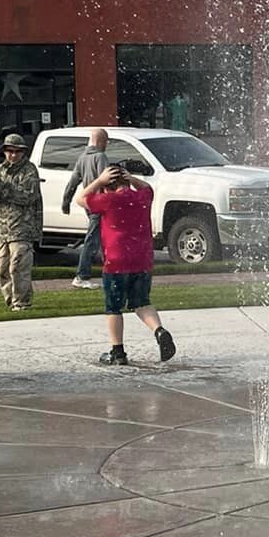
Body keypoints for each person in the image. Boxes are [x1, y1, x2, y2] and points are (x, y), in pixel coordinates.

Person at [75, 160, 174, 367]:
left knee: (114, 307)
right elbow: (148, 188)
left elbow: (80, 199)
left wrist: (97, 181)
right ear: (126, 180)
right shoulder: (141, 197)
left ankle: (117, 351)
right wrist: (131, 178)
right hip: (142, 259)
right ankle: (159, 331)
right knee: (142, 302)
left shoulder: (108, 200)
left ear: (107, 184)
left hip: (116, 261)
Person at [0, 133, 42, 311]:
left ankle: (22, 302)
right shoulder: (1, 170)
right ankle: (10, 300)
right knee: (3, 268)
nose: (13, 155)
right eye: (9, 151)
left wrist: (0, 185)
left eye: (17, 151)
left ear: (23, 152)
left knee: (19, 267)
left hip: (23, 227)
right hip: (4, 229)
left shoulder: (29, 171)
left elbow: (26, 196)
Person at [62, 129, 113, 289]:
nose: (106, 145)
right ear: (100, 141)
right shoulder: (100, 157)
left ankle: (110, 272)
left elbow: (73, 182)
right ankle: (82, 275)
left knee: (102, 239)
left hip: (89, 204)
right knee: (94, 240)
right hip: (101, 204)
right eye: (106, 142)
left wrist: (66, 201)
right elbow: (106, 180)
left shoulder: (82, 158)